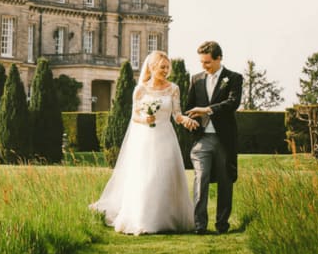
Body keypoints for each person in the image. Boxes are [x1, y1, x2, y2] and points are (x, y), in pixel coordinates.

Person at [90, 51, 199, 235]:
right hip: (146, 139)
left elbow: (177, 114)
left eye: (167, 67)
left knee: (166, 174)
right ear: (152, 67)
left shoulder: (173, 88)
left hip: (166, 136)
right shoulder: (140, 89)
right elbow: (134, 117)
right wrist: (145, 119)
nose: (165, 71)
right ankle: (143, 219)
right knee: (146, 177)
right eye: (162, 67)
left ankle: (169, 219)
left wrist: (186, 120)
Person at [185, 41, 243, 235]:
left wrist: (208, 110)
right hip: (202, 140)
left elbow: (232, 103)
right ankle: (199, 226)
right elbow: (189, 107)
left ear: (219, 59)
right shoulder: (196, 79)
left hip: (224, 140)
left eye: (208, 62)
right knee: (200, 179)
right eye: (202, 62)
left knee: (225, 183)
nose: (204, 66)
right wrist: (189, 120)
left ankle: (222, 225)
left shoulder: (234, 78)